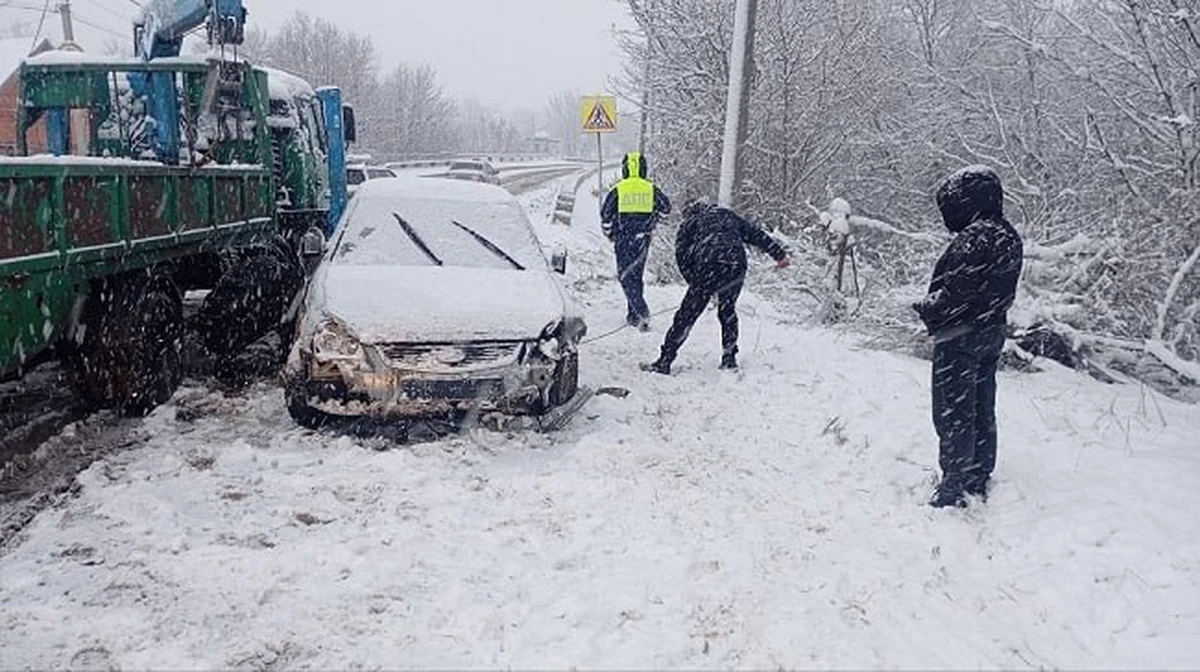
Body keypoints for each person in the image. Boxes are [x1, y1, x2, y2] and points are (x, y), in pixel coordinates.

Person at [913, 166, 1023, 508]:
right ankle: (978, 476)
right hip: (991, 333)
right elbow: (994, 291)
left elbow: (956, 293)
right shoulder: (1008, 236)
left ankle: (953, 487)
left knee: (953, 412)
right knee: (981, 407)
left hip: (959, 337)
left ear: (967, 201)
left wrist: (927, 307)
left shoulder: (974, 238)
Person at [641, 199, 789, 374]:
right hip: (735, 263)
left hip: (708, 262)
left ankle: (664, 361)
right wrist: (779, 255)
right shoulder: (727, 215)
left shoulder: (689, 224)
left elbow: (682, 257)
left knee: (686, 315)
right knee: (728, 310)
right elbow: (756, 234)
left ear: (687, 212)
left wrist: (696, 286)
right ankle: (729, 359)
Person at [600, 152, 672, 330]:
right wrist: (654, 219)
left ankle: (641, 313)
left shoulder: (619, 189)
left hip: (623, 238)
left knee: (625, 276)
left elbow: (606, 214)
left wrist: (609, 232)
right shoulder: (650, 188)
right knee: (636, 276)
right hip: (643, 238)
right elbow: (666, 209)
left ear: (625, 169)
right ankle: (633, 315)